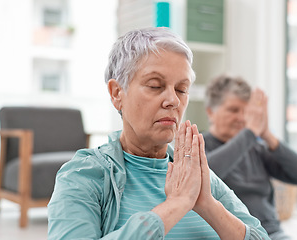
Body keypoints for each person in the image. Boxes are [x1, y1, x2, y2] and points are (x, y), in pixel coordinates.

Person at [47, 28, 269, 240]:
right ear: (117, 94)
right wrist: (176, 205)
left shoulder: (195, 176)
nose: (173, 100)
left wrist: (208, 205)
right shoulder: (83, 175)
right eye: (155, 86)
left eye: (181, 89)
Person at [203, 75, 297, 240]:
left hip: (272, 234)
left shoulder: (255, 148)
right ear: (211, 112)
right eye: (233, 110)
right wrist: (251, 132)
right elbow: (207, 177)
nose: (242, 118)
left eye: (246, 112)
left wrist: (266, 134)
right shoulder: (196, 146)